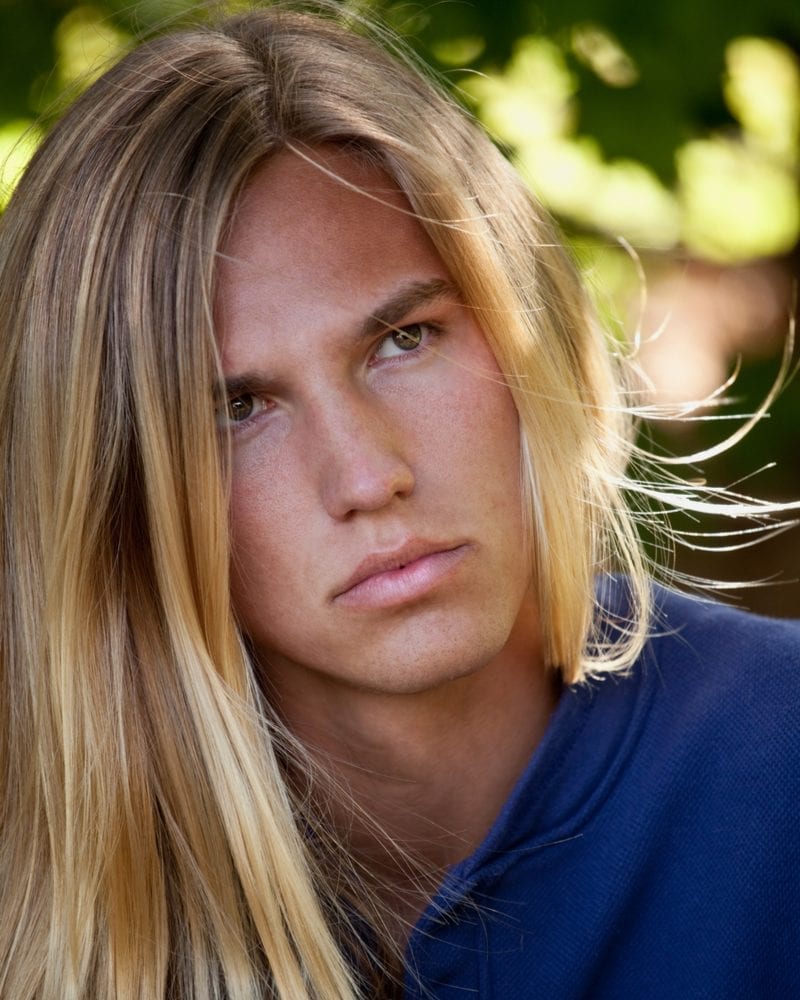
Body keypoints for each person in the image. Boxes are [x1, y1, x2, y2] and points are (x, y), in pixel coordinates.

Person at [1, 3, 798, 998]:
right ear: (109, 492)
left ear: (520, 325)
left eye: (402, 340)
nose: (367, 478)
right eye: (236, 408)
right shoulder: (44, 901)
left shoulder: (778, 755)